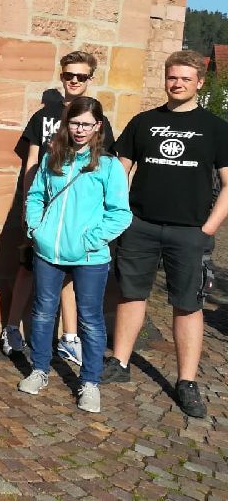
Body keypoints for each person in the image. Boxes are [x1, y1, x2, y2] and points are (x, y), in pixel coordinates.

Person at [101, 51, 228, 419]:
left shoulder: (216, 128)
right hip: (140, 226)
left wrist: (209, 228)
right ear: (165, 79)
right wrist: (121, 215)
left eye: (186, 79)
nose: (178, 84)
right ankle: (120, 362)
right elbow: (119, 171)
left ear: (199, 82)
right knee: (131, 293)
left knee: (188, 303)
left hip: (189, 231)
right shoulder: (144, 122)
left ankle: (187, 381)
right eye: (173, 77)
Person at [18, 97, 130, 413]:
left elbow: (120, 213)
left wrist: (90, 240)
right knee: (43, 312)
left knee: (90, 320)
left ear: (98, 127)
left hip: (90, 257)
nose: (80, 129)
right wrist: (36, 229)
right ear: (67, 124)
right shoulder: (52, 157)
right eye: (75, 123)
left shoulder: (108, 166)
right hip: (48, 251)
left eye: (86, 124)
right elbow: (35, 196)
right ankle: (39, 369)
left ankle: (90, 382)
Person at [1, 51, 115, 362]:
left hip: (77, 212)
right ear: (61, 75)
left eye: (81, 76)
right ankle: (11, 327)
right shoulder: (43, 117)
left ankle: (69, 335)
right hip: (43, 207)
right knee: (27, 265)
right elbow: (31, 163)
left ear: (90, 79)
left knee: (70, 272)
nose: (74, 80)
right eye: (69, 75)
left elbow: (106, 166)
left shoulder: (96, 119)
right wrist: (29, 211)